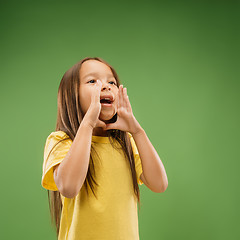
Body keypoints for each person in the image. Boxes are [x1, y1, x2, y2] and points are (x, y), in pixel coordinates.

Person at [41, 57, 168, 240]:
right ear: (72, 96)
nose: (105, 86)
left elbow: (159, 184)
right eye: (92, 81)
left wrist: (137, 131)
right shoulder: (61, 141)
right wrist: (87, 125)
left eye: (112, 82)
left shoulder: (126, 143)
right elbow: (68, 187)